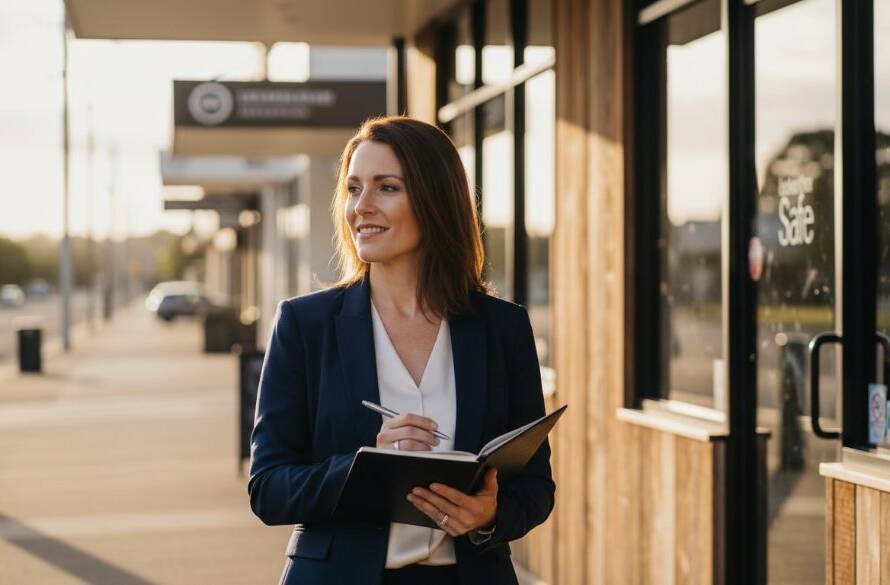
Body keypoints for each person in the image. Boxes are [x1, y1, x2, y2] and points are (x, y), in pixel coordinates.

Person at [248, 116, 554, 585]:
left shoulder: (501, 328)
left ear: (435, 201)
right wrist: (362, 465)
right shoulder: (304, 325)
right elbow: (268, 488)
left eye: (386, 188)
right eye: (353, 189)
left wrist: (490, 515)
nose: (361, 207)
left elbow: (535, 487)